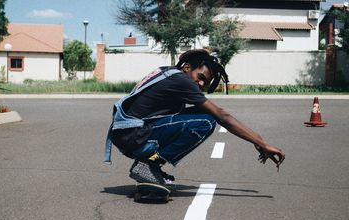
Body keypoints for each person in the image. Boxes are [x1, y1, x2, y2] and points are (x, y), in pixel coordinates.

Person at [104, 49, 285, 188]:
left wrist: (258, 140)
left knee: (202, 115)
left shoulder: (169, 73)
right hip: (133, 136)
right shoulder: (181, 81)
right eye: (200, 77)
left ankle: (151, 166)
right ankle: (148, 165)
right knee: (206, 121)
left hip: (128, 134)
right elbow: (222, 116)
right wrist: (261, 143)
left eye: (205, 83)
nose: (201, 84)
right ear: (187, 68)